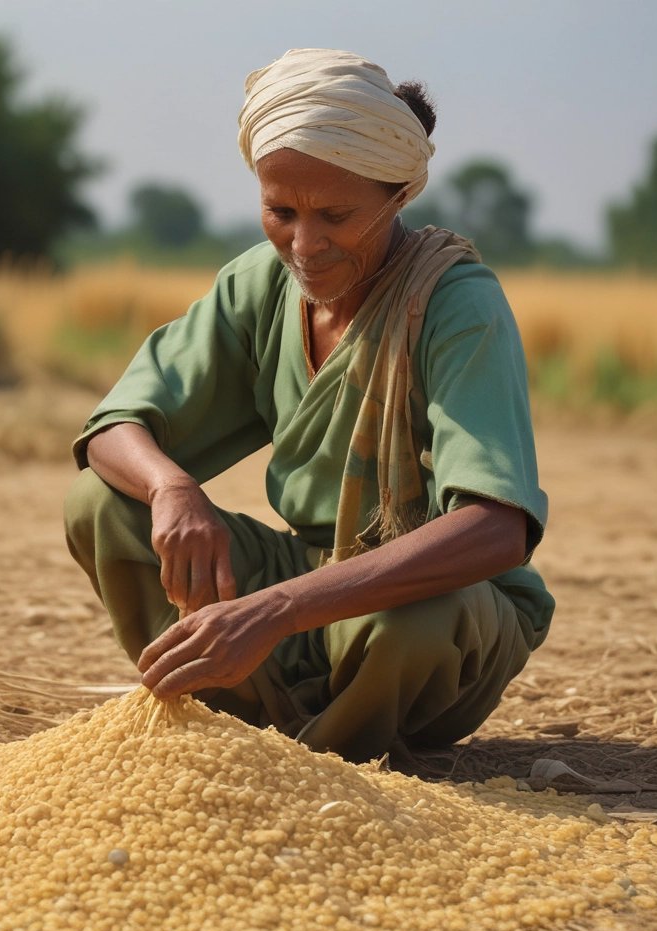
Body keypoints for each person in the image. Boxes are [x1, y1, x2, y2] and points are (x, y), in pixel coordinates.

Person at [64, 48, 554, 764]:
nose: (305, 244)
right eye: (280, 211)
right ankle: (231, 723)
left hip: (430, 606)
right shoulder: (262, 285)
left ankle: (334, 763)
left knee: (410, 619)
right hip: (304, 584)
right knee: (101, 504)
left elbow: (496, 529)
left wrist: (275, 609)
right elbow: (113, 427)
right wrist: (172, 488)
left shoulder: (456, 305)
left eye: (335, 214)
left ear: (399, 196)